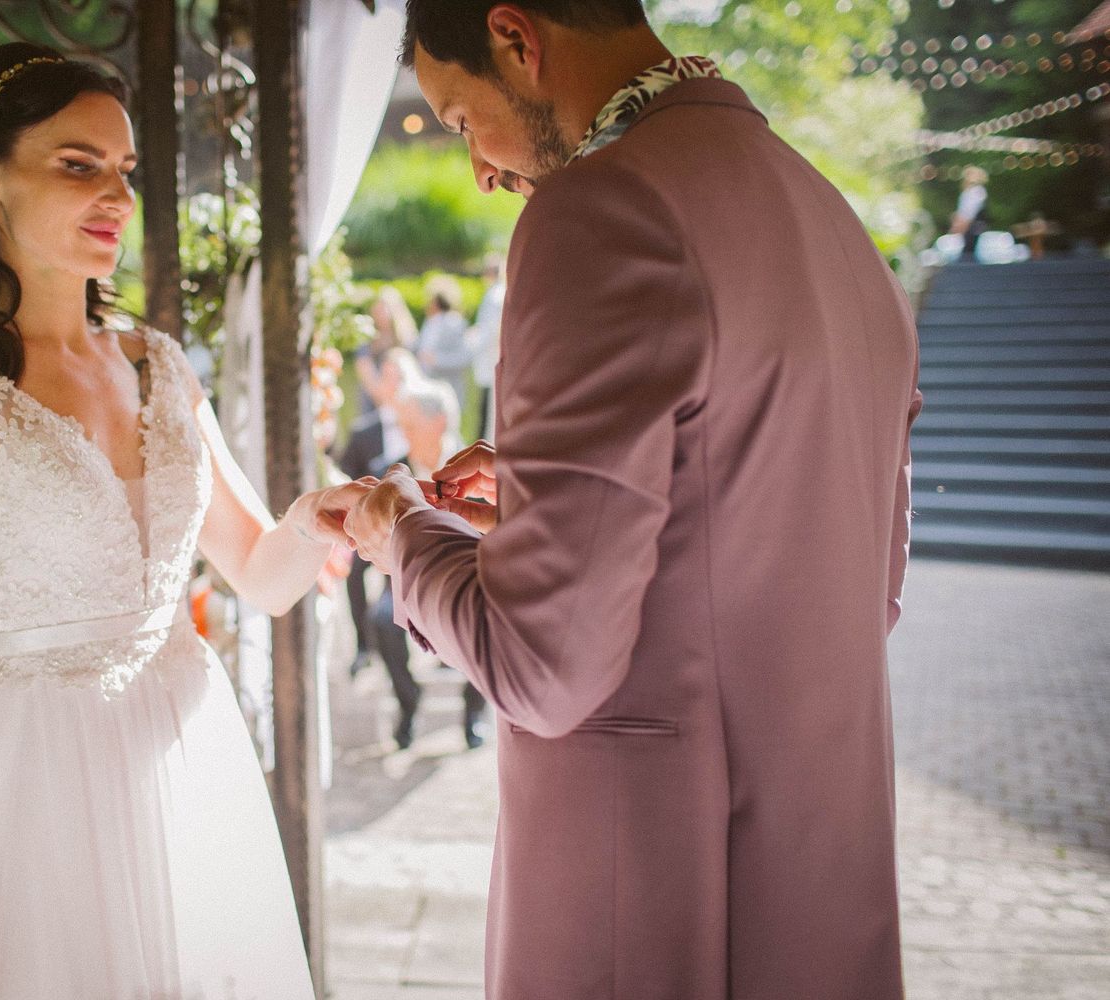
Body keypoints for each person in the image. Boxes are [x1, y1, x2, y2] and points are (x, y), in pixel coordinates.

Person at [335, 3, 922, 998]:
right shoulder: (828, 214)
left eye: (460, 117)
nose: (477, 168)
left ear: (516, 37)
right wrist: (550, 499)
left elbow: (543, 661)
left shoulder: (597, 209)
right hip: (823, 885)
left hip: (656, 899)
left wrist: (405, 534)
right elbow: (857, 575)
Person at [0, 43, 358, 999]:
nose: (117, 198)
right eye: (78, 164)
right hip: (37, 795)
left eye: (125, 171)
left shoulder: (159, 362)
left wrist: (319, 518)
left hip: (195, 768)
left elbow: (259, 570)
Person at [369, 377, 488, 750]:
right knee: (380, 620)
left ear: (437, 422)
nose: (402, 432)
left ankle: (473, 715)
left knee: (488, 615)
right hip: (410, 580)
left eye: (409, 423)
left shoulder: (480, 469)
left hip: (475, 573)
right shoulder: (392, 472)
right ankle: (408, 702)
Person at [336, 348, 424, 678]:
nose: (394, 384)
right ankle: (363, 645)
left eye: (400, 377)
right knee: (354, 570)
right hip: (372, 525)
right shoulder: (363, 432)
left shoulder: (422, 421)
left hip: (412, 526)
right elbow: (346, 476)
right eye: (387, 377)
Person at [355, 285, 420, 416]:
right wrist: (384, 401)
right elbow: (365, 371)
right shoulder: (367, 340)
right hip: (372, 404)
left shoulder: (407, 340)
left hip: (403, 403)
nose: (380, 314)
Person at [415, 274, 472, 408]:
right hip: (427, 390)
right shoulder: (429, 322)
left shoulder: (455, 323)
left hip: (448, 392)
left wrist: (436, 359)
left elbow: (464, 357)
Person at [469, 254, 505, 439]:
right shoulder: (495, 294)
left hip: (491, 359)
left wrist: (472, 341)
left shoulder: (495, 297)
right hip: (489, 361)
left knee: (488, 413)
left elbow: (491, 330)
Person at [951, 165, 989, 260]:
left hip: (972, 228)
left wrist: (961, 226)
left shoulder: (976, 192)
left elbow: (968, 214)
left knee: (968, 255)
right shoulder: (969, 192)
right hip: (969, 227)